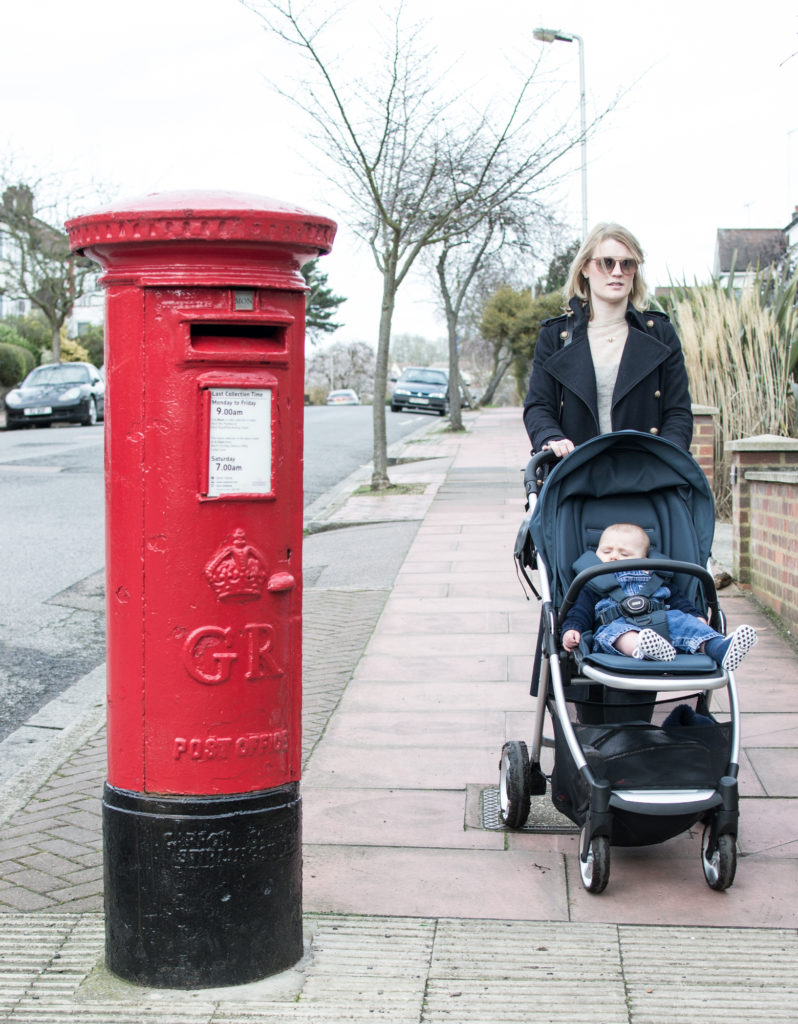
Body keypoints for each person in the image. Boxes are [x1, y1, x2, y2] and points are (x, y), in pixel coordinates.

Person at [523, 223, 693, 457]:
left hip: (646, 475)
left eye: (627, 264)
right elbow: (539, 405)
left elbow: (677, 411)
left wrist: (667, 454)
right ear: (584, 268)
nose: (617, 272)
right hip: (576, 473)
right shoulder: (556, 337)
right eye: (606, 263)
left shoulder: (660, 334)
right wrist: (552, 438)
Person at [561, 523, 758, 671]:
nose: (613, 557)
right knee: (618, 634)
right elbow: (580, 611)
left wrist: (696, 616)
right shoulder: (593, 582)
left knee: (686, 624)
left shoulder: (657, 580)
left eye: (624, 554)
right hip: (616, 624)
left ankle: (720, 648)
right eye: (606, 551)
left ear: (645, 562)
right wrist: (572, 629)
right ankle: (642, 649)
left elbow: (679, 602)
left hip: (663, 621)